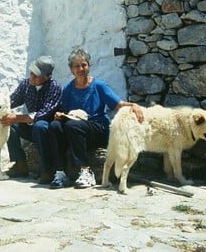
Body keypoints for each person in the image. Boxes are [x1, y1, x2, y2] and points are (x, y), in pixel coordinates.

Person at [48, 47, 144, 189]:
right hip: (77, 130)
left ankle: (86, 171)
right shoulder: (68, 89)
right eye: (77, 66)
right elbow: (65, 111)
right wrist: (59, 115)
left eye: (84, 65)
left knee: (72, 126)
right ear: (71, 69)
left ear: (89, 66)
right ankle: (61, 173)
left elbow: (118, 104)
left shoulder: (99, 86)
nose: (81, 69)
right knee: (55, 126)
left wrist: (133, 105)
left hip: (98, 129)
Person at [0, 55, 63, 184]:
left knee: (40, 125)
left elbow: (43, 114)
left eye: (37, 75)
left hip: (46, 130)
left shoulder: (54, 87)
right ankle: (20, 164)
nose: (32, 77)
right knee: (10, 126)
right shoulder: (26, 84)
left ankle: (47, 170)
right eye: (31, 73)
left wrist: (17, 117)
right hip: (30, 127)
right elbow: (12, 101)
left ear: (47, 77)